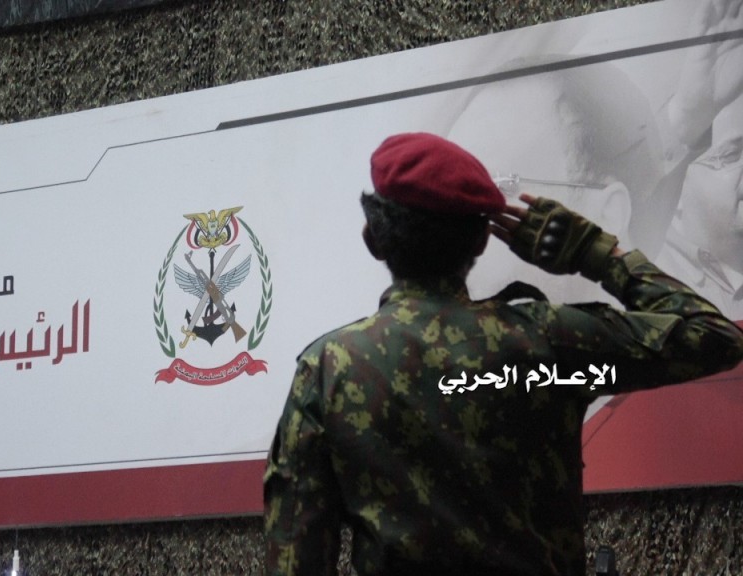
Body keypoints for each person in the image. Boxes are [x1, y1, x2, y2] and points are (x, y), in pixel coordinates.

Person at [263, 132, 743, 575]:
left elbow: (296, 557)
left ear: (373, 240)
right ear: (480, 240)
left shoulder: (329, 368)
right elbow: (713, 336)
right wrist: (596, 254)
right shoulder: (550, 341)